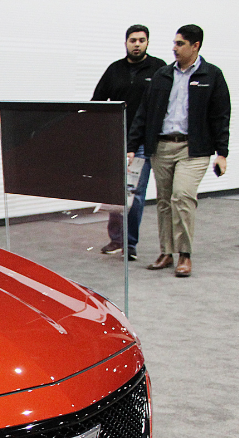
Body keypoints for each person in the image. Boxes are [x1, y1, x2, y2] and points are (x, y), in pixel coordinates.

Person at [128, 24, 230, 277]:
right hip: (161, 146)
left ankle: (184, 254)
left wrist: (222, 153)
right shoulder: (162, 75)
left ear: (195, 46)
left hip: (193, 149)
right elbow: (144, 112)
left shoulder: (211, 75)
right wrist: (132, 146)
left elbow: (220, 116)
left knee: (182, 196)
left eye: (180, 44)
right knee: (163, 202)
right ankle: (166, 252)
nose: (174, 48)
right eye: (174, 43)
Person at [92, 25, 166, 259]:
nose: (137, 44)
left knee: (135, 193)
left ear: (147, 43)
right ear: (126, 43)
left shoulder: (158, 69)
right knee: (116, 193)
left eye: (141, 40)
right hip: (117, 140)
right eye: (133, 40)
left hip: (143, 141)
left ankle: (130, 244)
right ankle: (116, 240)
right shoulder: (114, 70)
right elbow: (97, 102)